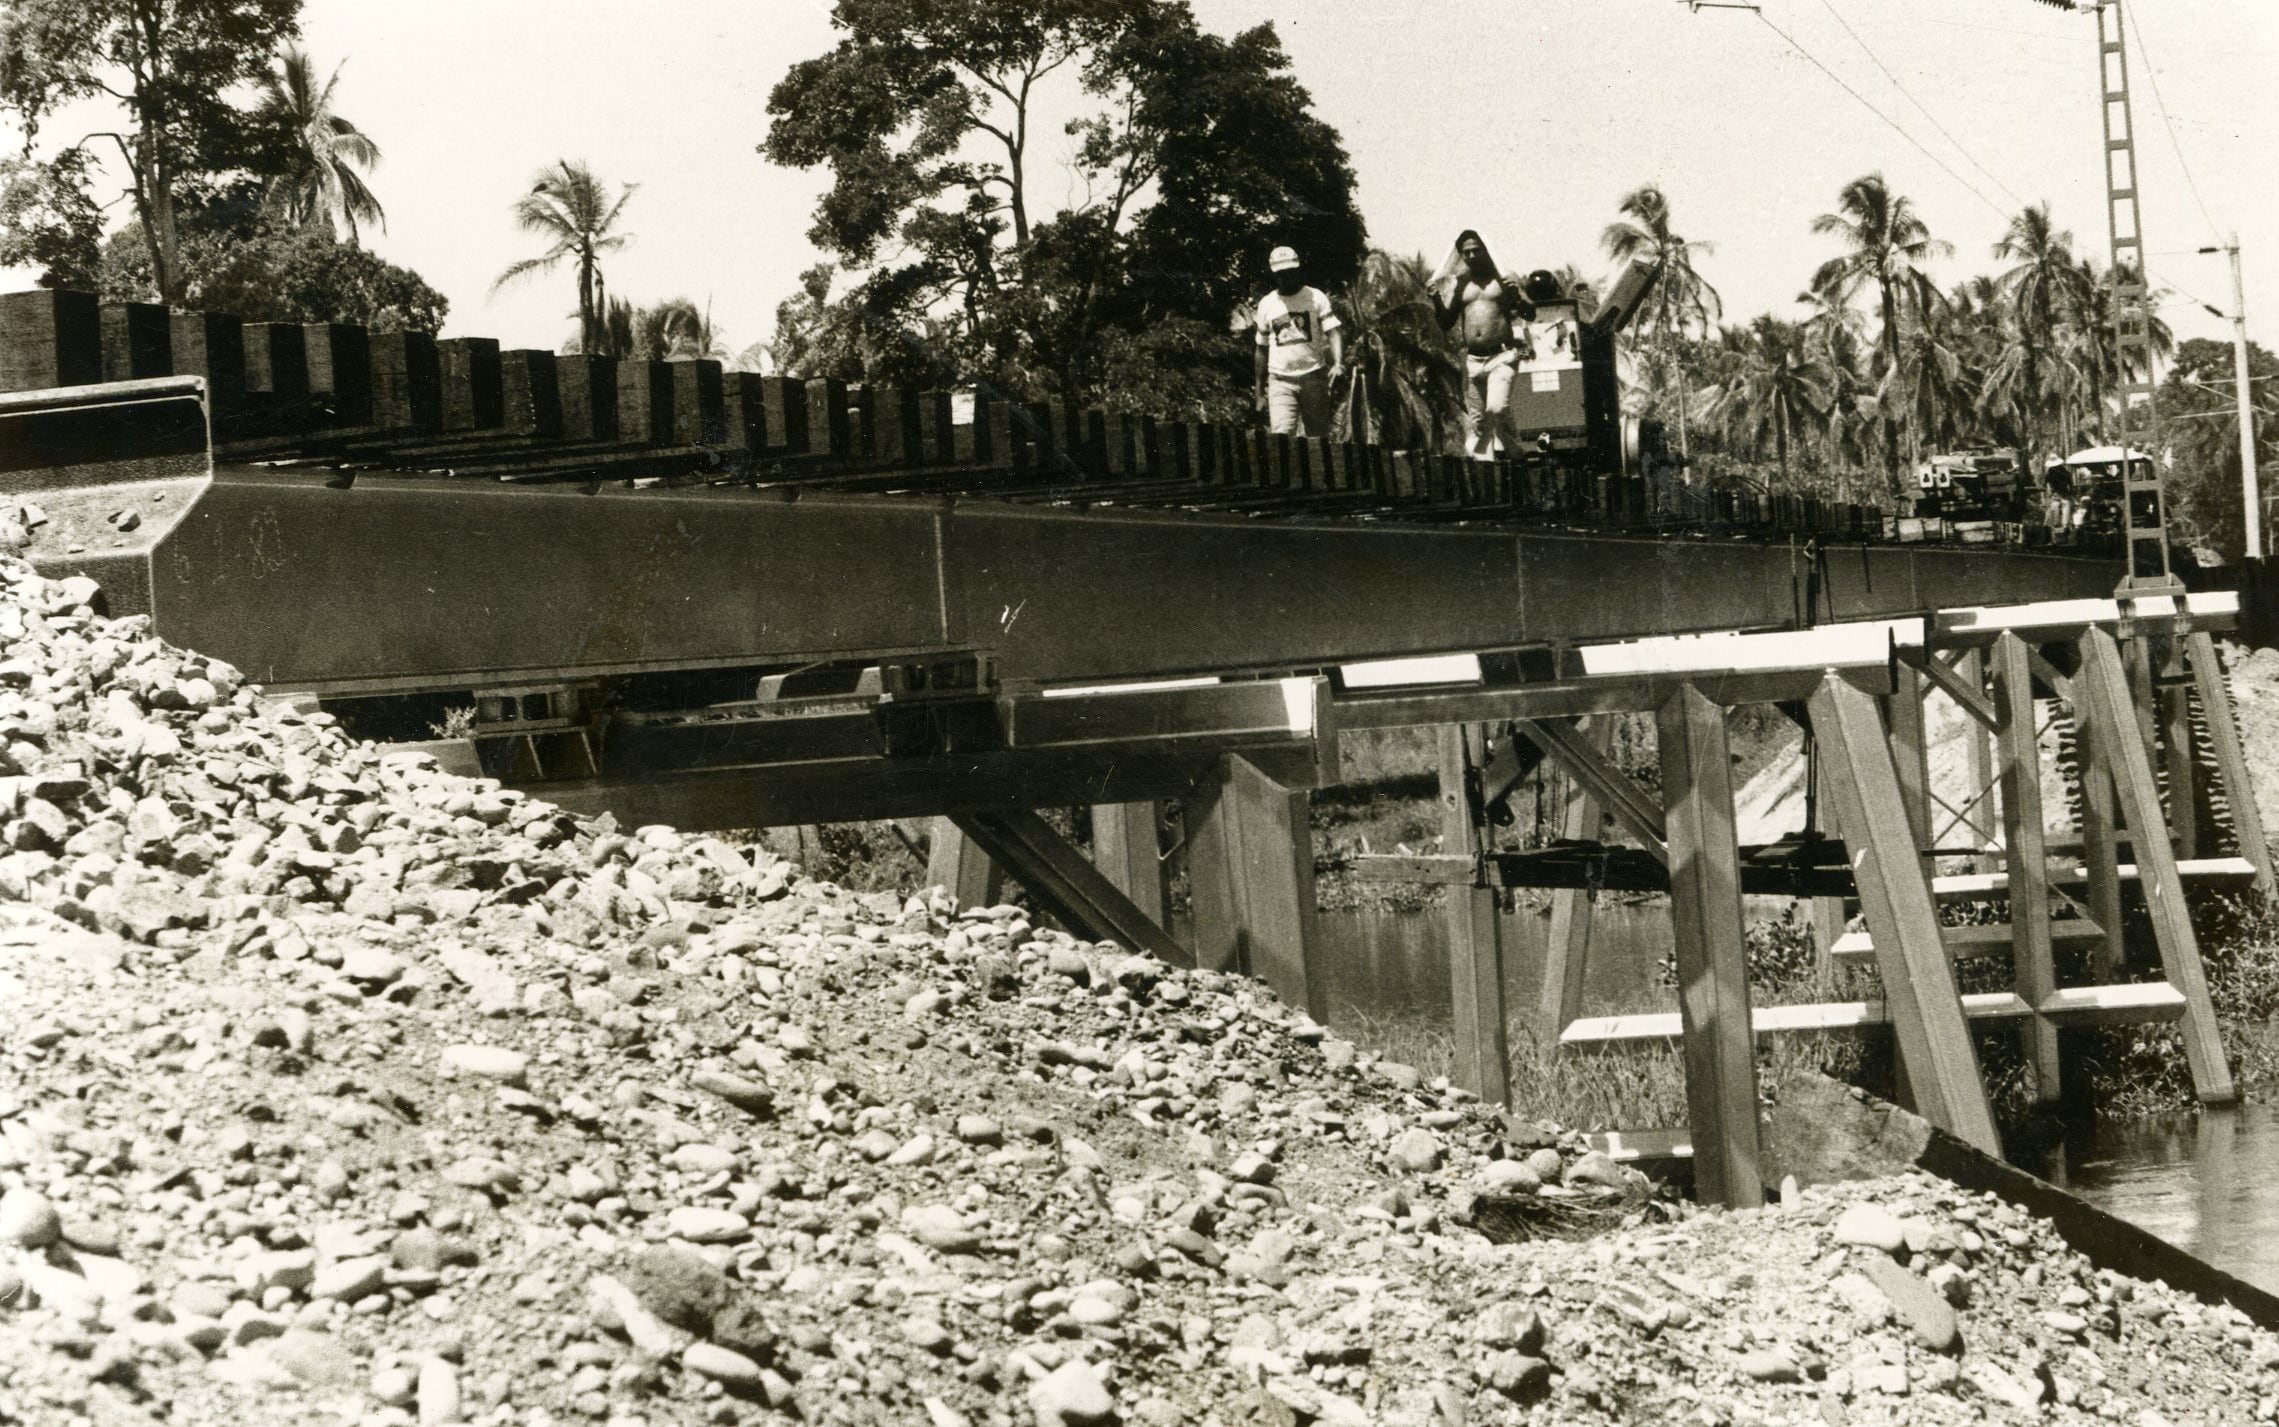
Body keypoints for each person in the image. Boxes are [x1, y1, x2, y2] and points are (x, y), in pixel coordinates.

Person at [1430, 230, 1528, 460]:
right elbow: (1446, 322)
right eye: (1466, 253)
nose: (1472, 256)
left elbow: (1529, 312)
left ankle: (1515, 454)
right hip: (1474, 360)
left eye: (1476, 250)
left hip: (1502, 356)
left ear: (1486, 250)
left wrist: (1518, 294)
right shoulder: (1461, 283)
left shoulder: (1504, 277)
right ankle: (1495, 467)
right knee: (1479, 422)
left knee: (1496, 407)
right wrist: (1435, 298)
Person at [1252, 245, 1344, 438]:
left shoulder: (1315, 297)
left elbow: (1333, 331)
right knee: (1282, 438)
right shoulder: (1267, 304)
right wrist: (1259, 391)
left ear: (1298, 270)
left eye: (1290, 272)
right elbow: (1261, 348)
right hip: (1281, 381)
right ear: (1274, 275)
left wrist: (1338, 363)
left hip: (1313, 378)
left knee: (1317, 439)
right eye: (1281, 273)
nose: (1286, 277)